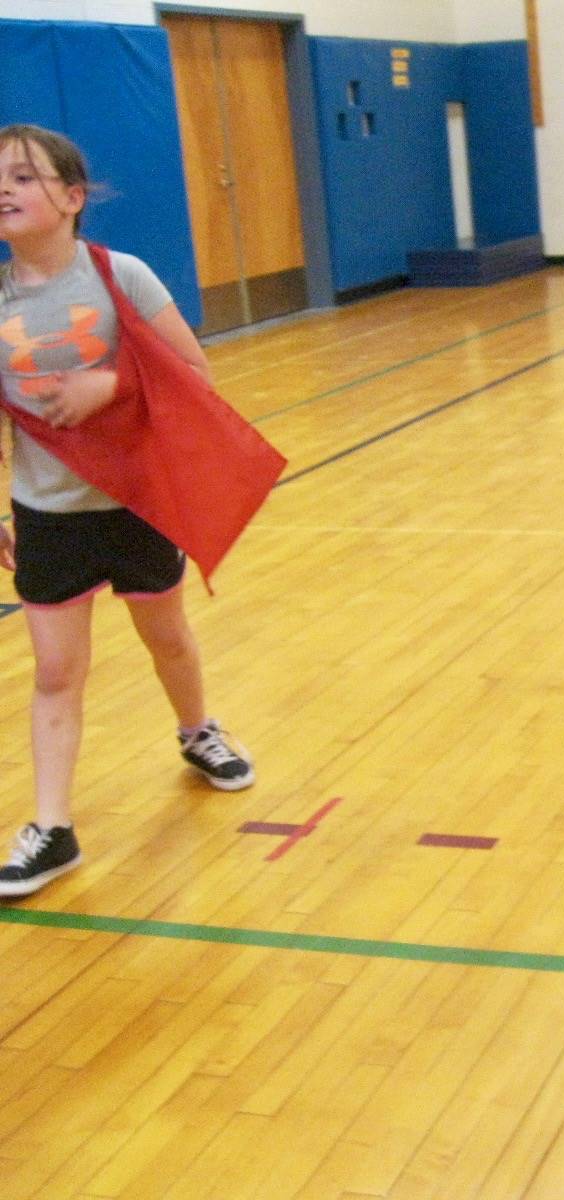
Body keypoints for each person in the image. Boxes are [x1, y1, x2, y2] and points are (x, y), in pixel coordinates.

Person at [0, 125, 255, 899]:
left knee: (167, 638)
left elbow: (194, 371)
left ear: (73, 198)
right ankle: (54, 828)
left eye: (22, 176)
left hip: (137, 500)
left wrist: (104, 387)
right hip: (46, 512)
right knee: (55, 671)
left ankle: (197, 730)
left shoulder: (121, 276)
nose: (4, 189)